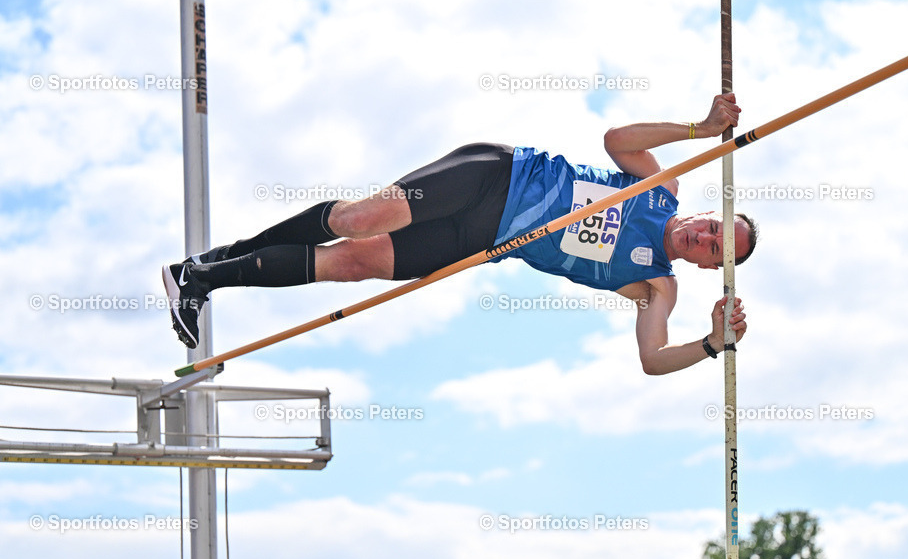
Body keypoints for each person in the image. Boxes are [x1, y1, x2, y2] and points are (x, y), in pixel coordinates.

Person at [163, 93, 754, 375]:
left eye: (714, 250)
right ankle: (214, 260)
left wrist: (711, 343)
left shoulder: (657, 284)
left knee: (351, 264)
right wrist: (700, 129)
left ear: (709, 267)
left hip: (480, 242)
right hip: (496, 176)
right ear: (708, 215)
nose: (704, 239)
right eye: (713, 229)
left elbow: (651, 358)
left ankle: (201, 278)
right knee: (356, 220)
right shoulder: (664, 185)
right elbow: (616, 141)